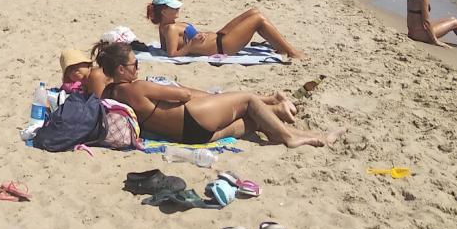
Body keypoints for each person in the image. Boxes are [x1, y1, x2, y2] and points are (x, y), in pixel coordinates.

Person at [94, 41, 338, 147]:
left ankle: (313, 136)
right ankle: (290, 138)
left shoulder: (111, 92)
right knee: (247, 99)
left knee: (251, 121)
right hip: (193, 118)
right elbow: (182, 97)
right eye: (135, 64)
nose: (139, 67)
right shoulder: (136, 87)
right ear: (121, 69)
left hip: (189, 136)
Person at [147, 0, 305, 59]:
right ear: (164, 11)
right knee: (258, 19)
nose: (178, 9)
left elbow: (164, 48)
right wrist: (191, 46)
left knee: (253, 11)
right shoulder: (170, 28)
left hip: (219, 36)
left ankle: (280, 46)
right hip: (221, 46)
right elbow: (171, 55)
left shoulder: (167, 26)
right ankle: (291, 52)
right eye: (174, 7)